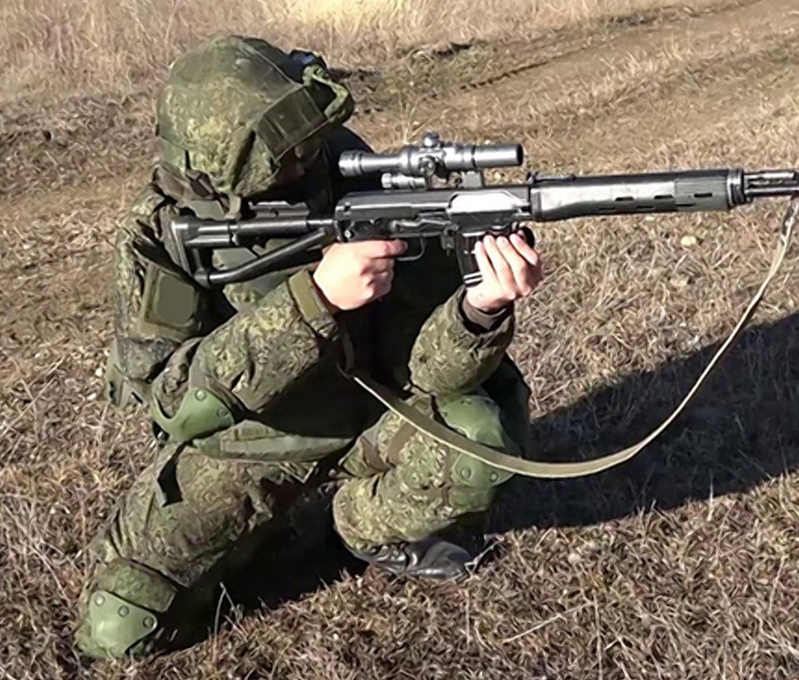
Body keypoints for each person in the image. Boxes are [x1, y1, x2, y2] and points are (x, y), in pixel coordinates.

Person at [74, 35, 543, 661]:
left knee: (477, 445)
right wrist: (316, 300)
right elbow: (177, 404)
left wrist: (481, 307)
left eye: (306, 146)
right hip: (245, 447)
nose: (307, 162)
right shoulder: (159, 237)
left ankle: (358, 528)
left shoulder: (351, 173)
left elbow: (430, 374)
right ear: (224, 159)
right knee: (119, 633)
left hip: (368, 416)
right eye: (286, 156)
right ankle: (253, 537)